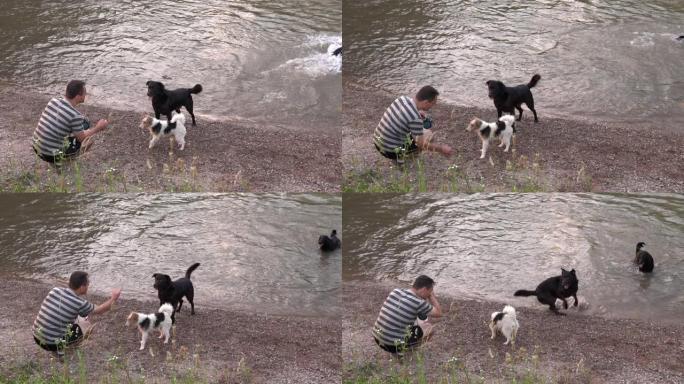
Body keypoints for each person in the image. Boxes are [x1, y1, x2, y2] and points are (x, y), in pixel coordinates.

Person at [32, 271, 122, 355]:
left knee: (77, 317)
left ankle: (58, 345)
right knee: (87, 325)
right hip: (51, 344)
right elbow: (100, 310)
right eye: (87, 285)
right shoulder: (79, 303)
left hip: (36, 337)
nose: (88, 287)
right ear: (82, 287)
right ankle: (61, 351)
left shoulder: (55, 290)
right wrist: (113, 298)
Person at [31, 80, 109, 165]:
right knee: (88, 139)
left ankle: (57, 151)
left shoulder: (53, 101)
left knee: (84, 124)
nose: (86, 95)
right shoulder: (75, 115)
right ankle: (68, 161)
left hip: (36, 147)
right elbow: (82, 139)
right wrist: (98, 127)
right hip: (50, 155)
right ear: (78, 96)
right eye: (84, 93)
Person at [373, 86, 453, 163]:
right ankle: (403, 160)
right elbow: (421, 145)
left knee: (414, 133)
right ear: (425, 102)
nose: (433, 106)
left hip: (378, 142)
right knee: (428, 134)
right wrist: (441, 148)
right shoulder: (415, 117)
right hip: (389, 151)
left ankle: (401, 155)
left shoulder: (401, 99)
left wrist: (417, 112)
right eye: (433, 103)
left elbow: (404, 114)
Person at [372, 275, 443, 354]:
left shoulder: (395, 291)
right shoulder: (418, 303)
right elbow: (439, 313)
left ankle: (399, 345)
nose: (429, 294)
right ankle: (407, 350)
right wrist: (432, 297)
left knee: (415, 319)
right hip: (392, 346)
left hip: (377, 338)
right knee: (430, 329)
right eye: (429, 291)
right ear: (424, 289)